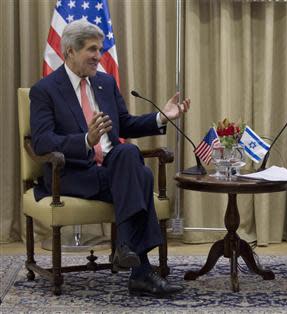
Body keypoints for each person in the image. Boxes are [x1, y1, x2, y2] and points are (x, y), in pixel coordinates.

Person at [30, 20, 190, 297]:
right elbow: (43, 141)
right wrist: (85, 141)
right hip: (71, 173)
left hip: (113, 168)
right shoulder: (45, 90)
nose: (98, 56)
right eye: (91, 49)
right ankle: (140, 270)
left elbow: (124, 124)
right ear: (69, 51)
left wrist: (161, 117)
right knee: (143, 176)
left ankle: (126, 249)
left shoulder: (104, 83)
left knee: (127, 152)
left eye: (100, 49)